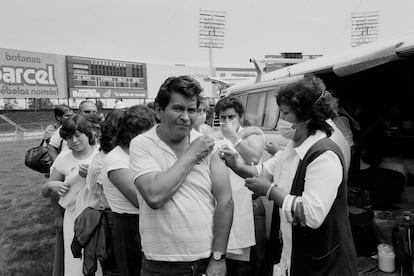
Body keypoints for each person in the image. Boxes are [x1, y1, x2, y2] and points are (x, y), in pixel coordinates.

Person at [220, 75, 358, 276]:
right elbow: (263, 170)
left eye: (285, 113)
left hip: (324, 264)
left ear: (307, 116)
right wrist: (237, 165)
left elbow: (310, 214)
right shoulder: (293, 147)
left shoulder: (324, 155)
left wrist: (269, 191)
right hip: (296, 255)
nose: (282, 121)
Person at [129, 76, 234, 276]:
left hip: (206, 260)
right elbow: (154, 196)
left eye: (192, 110)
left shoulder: (210, 146)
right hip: (162, 263)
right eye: (178, 108)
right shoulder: (142, 144)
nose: (186, 117)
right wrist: (192, 154)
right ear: (159, 111)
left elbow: (225, 201)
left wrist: (218, 256)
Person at [214, 96, 266, 276]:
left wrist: (235, 137)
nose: (226, 122)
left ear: (240, 117)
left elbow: (253, 157)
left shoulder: (253, 134)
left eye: (231, 117)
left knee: (252, 261)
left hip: (250, 205)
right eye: (222, 118)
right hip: (224, 204)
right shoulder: (216, 137)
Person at [41, 114, 99, 276]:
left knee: (98, 259)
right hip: (73, 218)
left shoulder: (100, 154)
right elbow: (45, 192)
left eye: (78, 135)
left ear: (88, 133)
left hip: (97, 216)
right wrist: (52, 184)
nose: (74, 141)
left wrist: (93, 175)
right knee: (75, 260)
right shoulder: (63, 158)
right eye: (68, 137)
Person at [102, 105, 155, 275]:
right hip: (130, 228)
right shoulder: (115, 160)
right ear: (134, 134)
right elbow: (142, 199)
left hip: (151, 223)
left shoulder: (145, 153)